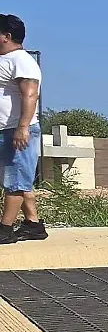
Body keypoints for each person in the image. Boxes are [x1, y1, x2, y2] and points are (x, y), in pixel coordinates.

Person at [0, 14, 46, 244]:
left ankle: (5, 230)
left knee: (15, 182)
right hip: (6, 129)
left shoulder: (21, 60)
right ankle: (33, 225)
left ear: (6, 37)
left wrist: (23, 127)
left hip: (15, 130)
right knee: (20, 179)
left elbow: (30, 94)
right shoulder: (7, 60)